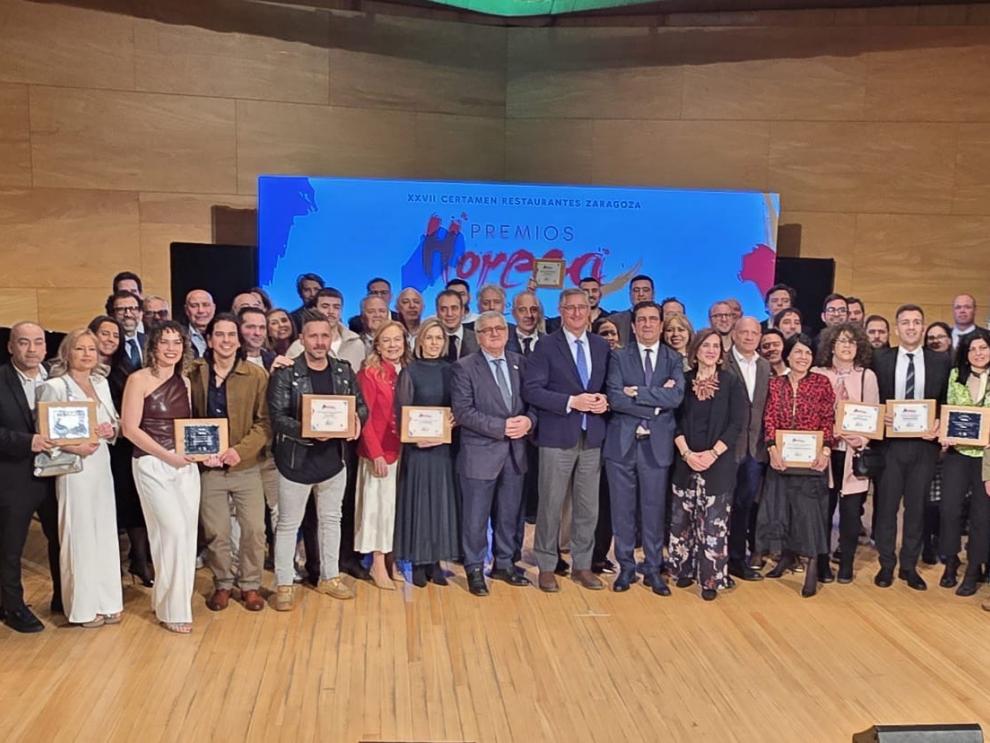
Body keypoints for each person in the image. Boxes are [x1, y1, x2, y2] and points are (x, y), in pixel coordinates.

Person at [268, 310, 367, 609]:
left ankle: (329, 577)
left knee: (331, 521)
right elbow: (277, 417)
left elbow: (360, 407)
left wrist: (357, 421)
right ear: (302, 339)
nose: (320, 341)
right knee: (288, 524)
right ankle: (284, 583)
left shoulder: (343, 370)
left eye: (325, 335)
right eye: (313, 336)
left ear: (332, 338)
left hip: (333, 461)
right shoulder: (286, 373)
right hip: (296, 461)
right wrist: (309, 432)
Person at [524, 289, 611, 592]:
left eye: (581, 307)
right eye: (570, 308)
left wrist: (605, 402)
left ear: (590, 311)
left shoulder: (601, 346)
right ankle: (547, 565)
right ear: (560, 311)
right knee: (550, 503)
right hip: (556, 435)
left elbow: (609, 387)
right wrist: (571, 401)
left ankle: (582, 565)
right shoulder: (546, 346)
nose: (576, 313)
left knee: (588, 506)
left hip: (593, 436)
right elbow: (532, 390)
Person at [37, 329, 122, 627]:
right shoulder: (55, 386)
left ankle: (109, 600)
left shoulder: (101, 382)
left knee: (104, 532)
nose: (87, 354)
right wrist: (75, 446)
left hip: (101, 464)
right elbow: (46, 433)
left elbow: (114, 420)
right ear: (67, 352)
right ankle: (84, 608)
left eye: (91, 349)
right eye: (80, 349)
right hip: (74, 467)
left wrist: (112, 430)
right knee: (79, 534)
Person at [120, 321, 201, 633]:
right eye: (165, 342)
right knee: (172, 532)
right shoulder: (138, 380)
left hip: (185, 466)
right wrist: (168, 456)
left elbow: (188, 427)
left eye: (177, 342)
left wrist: (196, 453)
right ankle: (172, 610)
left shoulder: (186, 381)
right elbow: (129, 429)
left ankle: (169, 601)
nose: (171, 348)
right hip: (151, 464)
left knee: (185, 537)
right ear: (153, 346)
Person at [189, 313, 272, 612]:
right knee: (217, 531)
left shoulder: (256, 375)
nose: (226, 341)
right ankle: (223, 583)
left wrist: (240, 451)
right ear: (209, 340)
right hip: (208, 467)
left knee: (253, 529)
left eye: (231, 335)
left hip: (245, 465)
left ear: (239, 340)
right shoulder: (194, 373)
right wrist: (198, 451)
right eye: (219, 335)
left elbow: (265, 424)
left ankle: (250, 585)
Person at [450, 311, 535, 596]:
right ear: (478, 335)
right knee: (475, 517)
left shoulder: (521, 364)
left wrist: (529, 421)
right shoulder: (464, 367)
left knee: (510, 515)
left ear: (508, 332)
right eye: (487, 330)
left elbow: (534, 402)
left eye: (500, 328)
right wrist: (502, 427)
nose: (495, 333)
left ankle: (505, 563)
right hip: (480, 454)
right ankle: (474, 568)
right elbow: (463, 412)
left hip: (516, 453)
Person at [605, 301, 685, 595]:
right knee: (622, 510)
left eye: (653, 319)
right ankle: (625, 567)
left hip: (657, 446)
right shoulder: (618, 357)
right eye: (642, 320)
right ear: (634, 325)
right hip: (622, 445)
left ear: (661, 325)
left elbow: (675, 397)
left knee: (653, 510)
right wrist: (655, 403)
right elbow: (615, 398)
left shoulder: (673, 359)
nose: (648, 324)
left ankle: (653, 568)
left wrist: (637, 393)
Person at [871, 304, 952, 590]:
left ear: (923, 327)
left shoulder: (941, 361)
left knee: (916, 508)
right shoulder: (880, 359)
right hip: (889, 447)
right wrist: (881, 414)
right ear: (897, 328)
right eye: (905, 322)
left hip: (924, 447)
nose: (911, 327)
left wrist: (940, 423)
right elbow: (870, 401)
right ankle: (886, 564)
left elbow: (946, 401)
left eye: (916, 322)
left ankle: (908, 566)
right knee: (887, 508)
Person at [757, 333, 836, 598]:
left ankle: (813, 562)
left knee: (809, 513)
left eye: (808, 353)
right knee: (782, 510)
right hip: (781, 459)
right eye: (798, 352)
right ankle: (786, 556)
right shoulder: (775, 384)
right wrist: (771, 447)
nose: (803, 357)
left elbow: (828, 418)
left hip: (812, 460)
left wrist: (826, 448)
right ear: (788, 355)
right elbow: (769, 419)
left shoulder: (821, 383)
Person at [670, 328, 746, 600]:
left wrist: (712, 454)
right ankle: (682, 571)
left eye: (716, 346)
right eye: (706, 345)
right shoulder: (683, 380)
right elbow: (673, 421)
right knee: (682, 521)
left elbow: (737, 423)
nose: (711, 350)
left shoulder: (731, 382)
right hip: (685, 460)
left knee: (713, 525)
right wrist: (688, 454)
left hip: (718, 463)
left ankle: (711, 579)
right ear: (696, 350)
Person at [0, 323, 61, 633]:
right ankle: (12, 607)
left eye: (38, 342)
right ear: (11, 347)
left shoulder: (58, 379)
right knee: (10, 547)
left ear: (46, 348)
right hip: (14, 477)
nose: (32, 349)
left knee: (61, 539)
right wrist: (27, 442)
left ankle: (63, 597)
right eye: (24, 343)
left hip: (57, 474)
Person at [812, 322, 880, 584]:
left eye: (852, 342)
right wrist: (829, 434)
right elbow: (813, 414)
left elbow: (873, 415)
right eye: (841, 341)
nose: (847, 346)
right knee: (823, 511)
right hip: (826, 453)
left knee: (851, 514)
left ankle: (847, 563)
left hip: (855, 453)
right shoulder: (818, 374)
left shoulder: (867, 376)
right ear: (831, 345)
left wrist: (861, 437)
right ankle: (821, 563)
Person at [394, 319, 460, 587]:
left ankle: (435, 562)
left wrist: (456, 418)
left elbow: (459, 404)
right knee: (420, 503)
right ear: (420, 340)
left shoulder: (452, 370)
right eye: (429, 338)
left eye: (439, 338)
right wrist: (413, 440)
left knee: (440, 503)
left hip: (443, 449)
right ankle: (418, 563)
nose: (434, 343)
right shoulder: (410, 372)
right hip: (418, 450)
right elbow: (401, 412)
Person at [89, 315, 153, 587]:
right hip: (91, 450)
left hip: (123, 446)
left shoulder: (124, 370)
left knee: (131, 502)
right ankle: (108, 565)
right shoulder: (75, 370)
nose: (110, 340)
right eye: (104, 334)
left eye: (115, 336)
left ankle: (139, 560)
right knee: (105, 507)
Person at [355, 321, 409, 590]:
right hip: (379, 453)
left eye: (397, 339)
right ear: (377, 344)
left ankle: (393, 559)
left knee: (395, 510)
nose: (392, 345)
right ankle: (377, 564)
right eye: (386, 340)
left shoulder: (408, 370)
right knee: (378, 510)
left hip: (405, 452)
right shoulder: (369, 373)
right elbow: (362, 416)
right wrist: (374, 452)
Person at [938, 328, 990, 596]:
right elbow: (950, 409)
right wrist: (946, 434)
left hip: (987, 457)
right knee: (949, 510)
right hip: (958, 453)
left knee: (982, 515)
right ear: (965, 353)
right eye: (972, 349)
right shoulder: (956, 375)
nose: (978, 353)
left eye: (983, 348)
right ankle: (951, 560)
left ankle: (973, 570)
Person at [724, 317, 770, 582]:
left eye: (754, 333)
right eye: (744, 332)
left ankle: (737, 560)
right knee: (721, 506)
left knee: (744, 507)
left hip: (755, 449)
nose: (749, 337)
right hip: (727, 447)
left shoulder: (765, 366)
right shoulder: (722, 363)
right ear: (735, 334)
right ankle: (713, 559)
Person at [591, 316, 621, 574]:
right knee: (591, 499)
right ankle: (586, 554)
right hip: (592, 437)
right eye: (604, 333)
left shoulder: (624, 362)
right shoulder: (592, 363)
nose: (609, 338)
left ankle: (601, 554)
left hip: (619, 440)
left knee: (608, 502)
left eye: (613, 333)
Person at [609, 274, 654, 347]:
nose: (641, 294)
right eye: (636, 290)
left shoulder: (662, 318)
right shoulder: (615, 320)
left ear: (653, 294)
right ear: (630, 294)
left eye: (645, 290)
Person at [436, 289, 479, 361]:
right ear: (437, 312)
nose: (449, 314)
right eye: (444, 309)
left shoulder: (478, 340)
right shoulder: (428, 342)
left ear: (462, 311)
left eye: (454, 308)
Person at [109, 290, 146, 371]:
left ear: (140, 313)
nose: (128, 314)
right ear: (111, 315)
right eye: (121, 309)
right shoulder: (107, 345)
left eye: (133, 309)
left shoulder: (150, 341)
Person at [506, 291, 543, 356]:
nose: (529, 315)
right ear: (513, 313)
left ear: (539, 313)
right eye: (522, 310)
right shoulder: (503, 343)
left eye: (534, 309)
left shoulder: (551, 343)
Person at [184, 289, 216, 358]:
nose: (201, 310)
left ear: (214, 308)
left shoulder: (224, 335)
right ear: (186, 310)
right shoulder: (180, 336)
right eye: (194, 306)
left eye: (206, 305)